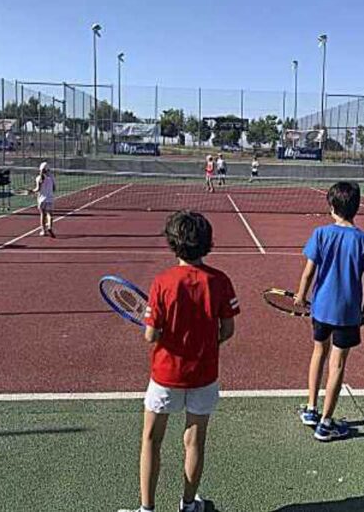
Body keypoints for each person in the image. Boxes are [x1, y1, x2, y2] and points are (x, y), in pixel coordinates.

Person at [119, 211, 239, 512]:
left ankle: (147, 509)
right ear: (208, 243)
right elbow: (227, 330)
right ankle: (188, 505)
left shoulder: (162, 282)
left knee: (151, 440)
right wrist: (206, 345)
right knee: (195, 442)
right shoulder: (221, 281)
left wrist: (159, 332)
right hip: (204, 375)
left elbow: (151, 335)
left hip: (165, 375)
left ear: (172, 244)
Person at [294, 182, 364, 441]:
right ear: (357, 207)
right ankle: (326, 423)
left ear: (332, 208)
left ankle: (311, 409)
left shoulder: (320, 234)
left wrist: (300, 295)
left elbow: (309, 272)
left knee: (319, 352)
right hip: (347, 312)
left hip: (321, 308)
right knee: (338, 363)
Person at [32, 162, 56, 237]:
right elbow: (54, 188)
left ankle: (43, 231)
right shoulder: (51, 177)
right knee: (50, 214)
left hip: (41, 199)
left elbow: (37, 189)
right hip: (50, 199)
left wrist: (32, 191)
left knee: (43, 215)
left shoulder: (38, 178)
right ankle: (50, 227)